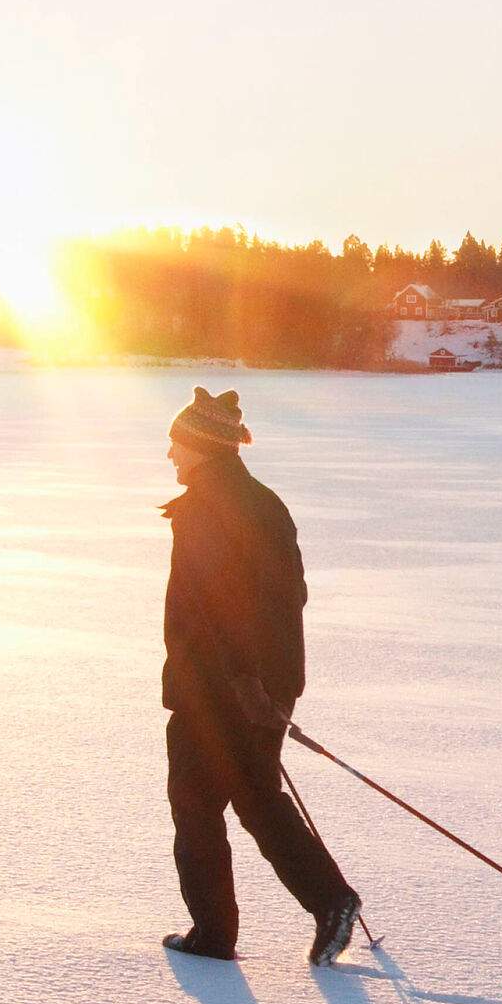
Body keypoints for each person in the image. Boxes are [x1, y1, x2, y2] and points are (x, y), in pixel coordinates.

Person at [157, 386, 363, 964]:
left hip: (221, 689)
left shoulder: (206, 511)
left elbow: (221, 606)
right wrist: (267, 683)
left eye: (176, 444)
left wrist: (242, 680)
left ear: (202, 446)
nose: (170, 456)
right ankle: (332, 901)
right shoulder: (261, 501)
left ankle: (214, 935)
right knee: (256, 798)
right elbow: (289, 595)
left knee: (195, 804)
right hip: (257, 685)